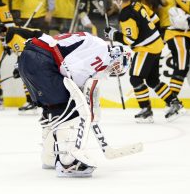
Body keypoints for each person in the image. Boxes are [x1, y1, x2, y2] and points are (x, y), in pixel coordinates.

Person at [18, 30, 127, 177]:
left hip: (32, 58)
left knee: (53, 108)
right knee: (70, 110)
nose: (114, 70)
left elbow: (66, 59)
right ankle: (67, 162)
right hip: (42, 61)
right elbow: (71, 71)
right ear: (115, 55)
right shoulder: (102, 53)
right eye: (118, 65)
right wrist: (81, 97)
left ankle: (50, 157)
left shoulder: (94, 43)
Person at [105, 0, 185, 123]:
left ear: (118, 0)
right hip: (157, 44)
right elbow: (155, 19)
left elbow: (130, 39)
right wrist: (152, 34)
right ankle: (174, 103)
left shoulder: (125, 14)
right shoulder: (138, 4)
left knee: (135, 79)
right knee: (152, 80)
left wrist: (114, 35)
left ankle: (146, 111)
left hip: (146, 48)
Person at [0, 22, 41, 115]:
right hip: (37, 45)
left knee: (26, 73)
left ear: (3, 33)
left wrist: (17, 67)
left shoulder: (13, 37)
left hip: (40, 46)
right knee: (26, 73)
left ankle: (32, 103)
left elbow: (24, 53)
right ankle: (33, 102)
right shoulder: (9, 33)